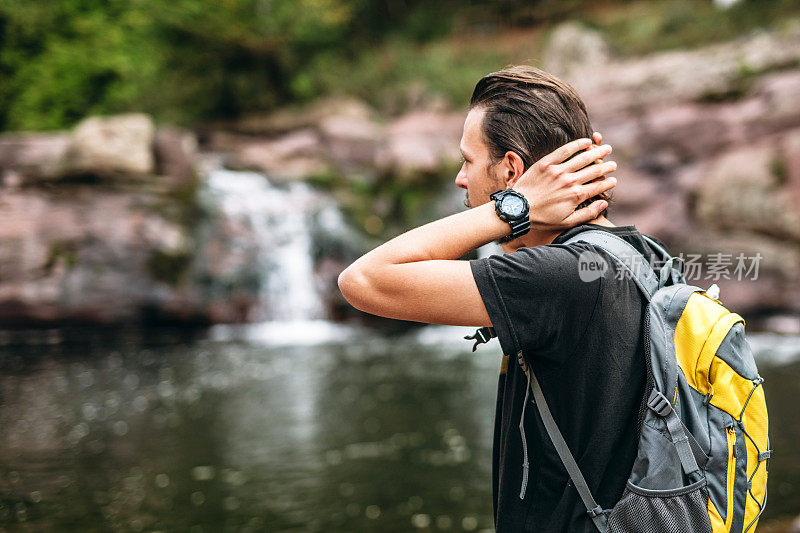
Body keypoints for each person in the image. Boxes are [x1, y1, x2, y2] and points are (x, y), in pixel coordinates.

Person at [338, 65, 666, 532]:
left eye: (468, 161)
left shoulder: (556, 278)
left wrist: (512, 208)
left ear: (512, 170)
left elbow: (362, 281)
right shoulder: (640, 254)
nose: (458, 179)